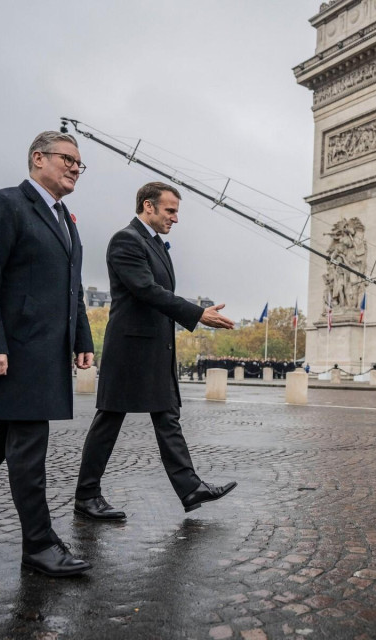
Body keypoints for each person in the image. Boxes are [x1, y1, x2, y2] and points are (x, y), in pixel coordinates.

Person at [75, 182, 237, 521]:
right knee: (109, 420)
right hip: (130, 350)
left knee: (167, 418)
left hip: (155, 348)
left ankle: (190, 487)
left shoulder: (156, 245)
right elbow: (146, 290)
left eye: (177, 211)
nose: (176, 218)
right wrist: (197, 314)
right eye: (170, 210)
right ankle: (86, 496)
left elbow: (156, 292)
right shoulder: (126, 240)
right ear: (148, 207)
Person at [0, 131, 94, 577]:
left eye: (79, 163)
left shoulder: (66, 220)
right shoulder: (7, 204)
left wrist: (83, 340)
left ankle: (40, 541)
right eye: (67, 159)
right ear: (38, 158)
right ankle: (38, 546)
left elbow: (73, 289)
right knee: (29, 454)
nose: (75, 167)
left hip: (43, 355)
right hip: (15, 355)